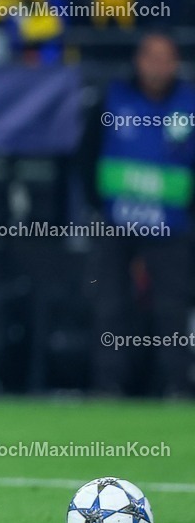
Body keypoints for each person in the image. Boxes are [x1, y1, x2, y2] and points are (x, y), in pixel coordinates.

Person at [81, 32, 195, 397]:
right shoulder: (112, 99)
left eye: (167, 58)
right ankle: (108, 387)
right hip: (116, 224)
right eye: (152, 57)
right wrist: (98, 207)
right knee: (110, 306)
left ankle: (177, 388)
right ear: (139, 61)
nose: (159, 66)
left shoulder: (189, 105)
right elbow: (86, 156)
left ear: (176, 63)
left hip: (172, 227)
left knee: (172, 309)